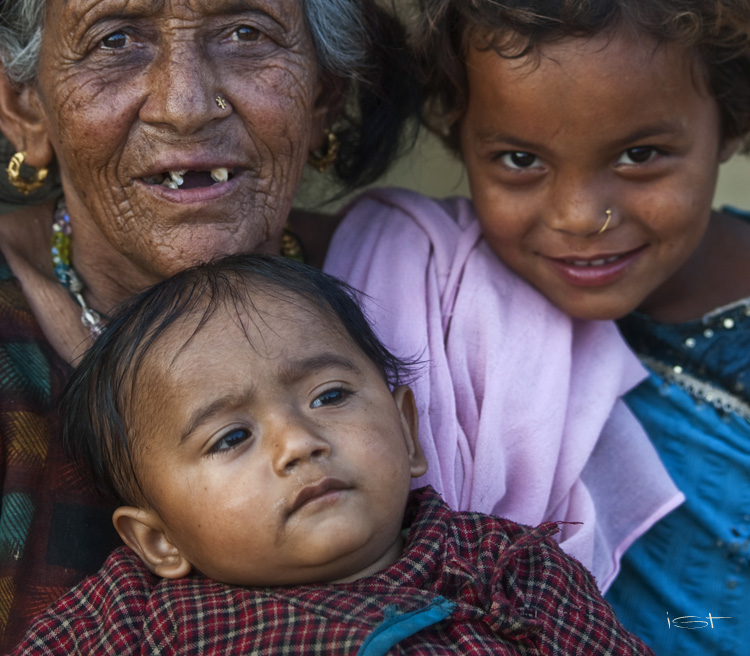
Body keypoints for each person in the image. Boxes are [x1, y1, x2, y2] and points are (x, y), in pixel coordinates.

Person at [0, 0, 675, 649]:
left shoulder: (437, 296)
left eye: (246, 32)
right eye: (116, 40)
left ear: (325, 89)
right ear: (25, 106)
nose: (185, 102)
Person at [407, 0, 750, 655]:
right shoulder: (445, 292)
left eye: (639, 156)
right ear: (459, 135)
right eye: (520, 161)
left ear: (730, 121)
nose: (580, 216)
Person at [12, 255, 654, 655]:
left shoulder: (509, 570)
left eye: (329, 395)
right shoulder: (129, 619)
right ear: (158, 541)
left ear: (408, 434)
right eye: (231, 437)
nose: (299, 442)